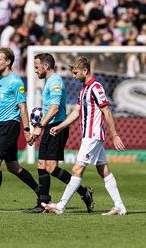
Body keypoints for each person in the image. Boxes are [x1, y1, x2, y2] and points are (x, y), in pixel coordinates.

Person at [41, 56, 126, 215]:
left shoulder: (96, 87)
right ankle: (119, 205)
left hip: (93, 135)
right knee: (103, 170)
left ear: (85, 71)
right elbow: (77, 113)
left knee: (77, 169)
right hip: (88, 135)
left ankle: (61, 205)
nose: (73, 76)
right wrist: (59, 126)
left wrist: (114, 135)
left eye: (75, 72)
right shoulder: (83, 89)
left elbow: (106, 111)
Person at [25, 53, 94, 213]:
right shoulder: (50, 81)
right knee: (41, 164)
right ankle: (42, 203)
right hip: (49, 126)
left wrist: (39, 126)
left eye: (37, 67)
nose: (35, 70)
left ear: (46, 66)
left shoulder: (55, 81)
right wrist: (41, 126)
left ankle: (84, 193)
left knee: (51, 167)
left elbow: (55, 108)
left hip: (57, 128)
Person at [0, 48, 40, 211]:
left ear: (8, 62)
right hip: (2, 126)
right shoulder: (1, 82)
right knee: (13, 167)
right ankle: (42, 194)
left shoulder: (16, 81)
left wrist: (27, 130)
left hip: (11, 126)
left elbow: (23, 107)